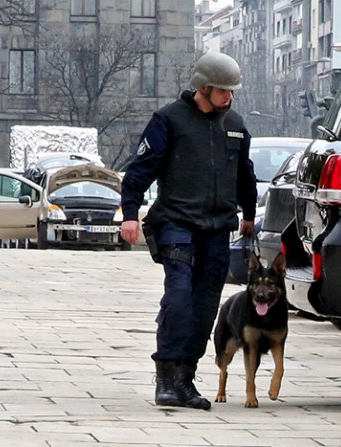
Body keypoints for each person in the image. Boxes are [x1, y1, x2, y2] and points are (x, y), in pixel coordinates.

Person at [120, 52, 257, 410]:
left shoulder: (236, 125)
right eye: (224, 91)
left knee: (205, 306)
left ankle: (186, 379)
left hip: (217, 226)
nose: (229, 97)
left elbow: (245, 173)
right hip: (176, 222)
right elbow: (140, 169)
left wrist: (249, 214)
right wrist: (130, 214)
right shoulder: (168, 120)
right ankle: (165, 378)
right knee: (179, 298)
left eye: (232, 92)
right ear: (205, 87)